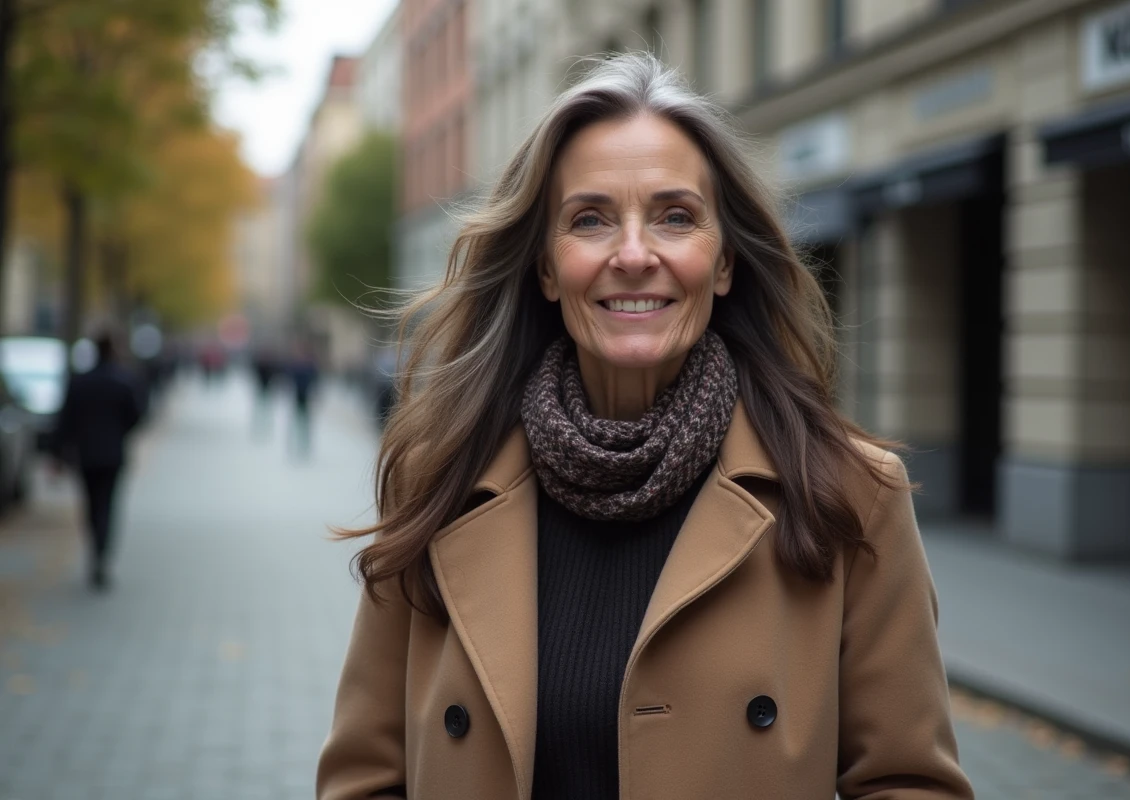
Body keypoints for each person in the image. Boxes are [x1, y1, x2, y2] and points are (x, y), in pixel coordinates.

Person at [317, 54, 973, 800]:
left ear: (723, 261)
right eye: (590, 219)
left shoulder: (851, 494)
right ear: (544, 268)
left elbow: (908, 783)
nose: (634, 255)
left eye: (675, 216)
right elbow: (365, 780)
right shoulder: (439, 483)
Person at [52, 332, 145, 591]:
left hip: (86, 454)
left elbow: (65, 419)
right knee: (108, 504)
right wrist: (120, 433)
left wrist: (58, 452)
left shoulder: (80, 382)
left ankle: (95, 546)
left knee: (91, 503)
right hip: (113, 453)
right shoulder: (124, 381)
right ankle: (101, 553)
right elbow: (137, 415)